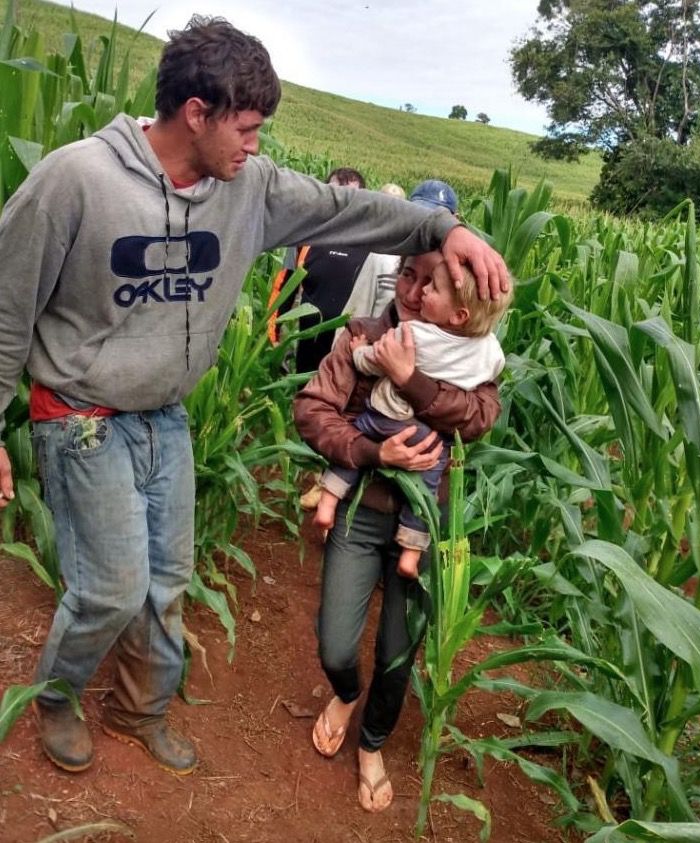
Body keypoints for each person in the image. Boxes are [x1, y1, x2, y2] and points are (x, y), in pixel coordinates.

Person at [0, 16, 508, 776]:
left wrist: (444, 226)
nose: (255, 145)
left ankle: (138, 708)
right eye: (246, 128)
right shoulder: (77, 180)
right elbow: (7, 306)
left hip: (164, 417)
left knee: (168, 580)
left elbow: (353, 211)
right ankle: (58, 697)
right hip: (81, 417)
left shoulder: (250, 190)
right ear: (195, 113)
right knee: (110, 588)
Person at [293, 251, 504, 812]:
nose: (413, 291)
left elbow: (480, 417)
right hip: (362, 511)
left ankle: (372, 743)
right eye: (407, 274)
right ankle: (344, 693)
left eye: (428, 280)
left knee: (396, 652)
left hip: (426, 521)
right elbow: (314, 410)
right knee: (337, 644)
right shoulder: (364, 336)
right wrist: (371, 451)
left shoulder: (470, 355)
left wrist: (410, 380)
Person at [315, 260, 511, 578]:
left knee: (354, 433)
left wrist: (369, 357)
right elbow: (487, 389)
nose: (420, 292)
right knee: (429, 481)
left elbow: (371, 362)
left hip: (387, 418)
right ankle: (412, 547)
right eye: (408, 275)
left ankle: (327, 500)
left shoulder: (411, 334)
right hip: (431, 442)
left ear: (458, 313)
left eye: (432, 285)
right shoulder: (488, 350)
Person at [268, 167, 369, 374]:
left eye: (348, 196)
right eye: (333, 194)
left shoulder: (372, 242)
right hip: (308, 347)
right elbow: (283, 289)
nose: (340, 203)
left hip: (349, 353)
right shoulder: (305, 236)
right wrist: (275, 340)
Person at [339, 179, 460, 323]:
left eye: (437, 219)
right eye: (421, 215)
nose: (428, 226)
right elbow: (357, 307)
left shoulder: (456, 272)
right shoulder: (383, 256)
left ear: (455, 219)